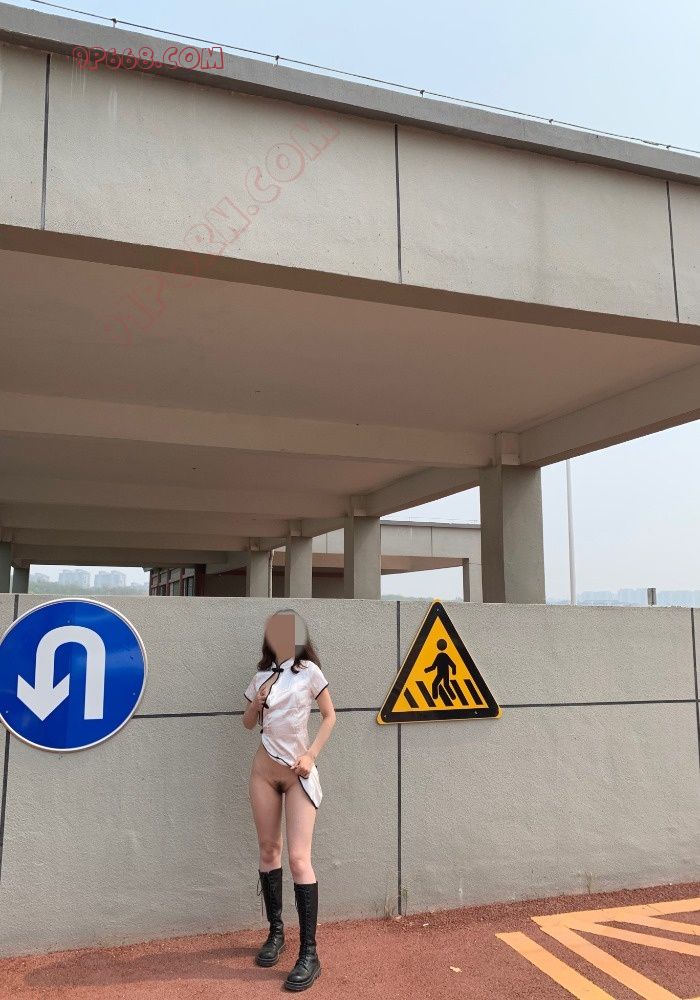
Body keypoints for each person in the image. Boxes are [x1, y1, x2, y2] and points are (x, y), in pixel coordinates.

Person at [242, 609, 336, 991]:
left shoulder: (309, 671)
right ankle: (276, 932)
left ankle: (309, 954)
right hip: (263, 773)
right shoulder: (261, 676)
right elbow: (248, 723)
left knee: (299, 858)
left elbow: (329, 717)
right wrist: (256, 703)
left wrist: (311, 755)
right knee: (269, 851)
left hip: (298, 773)